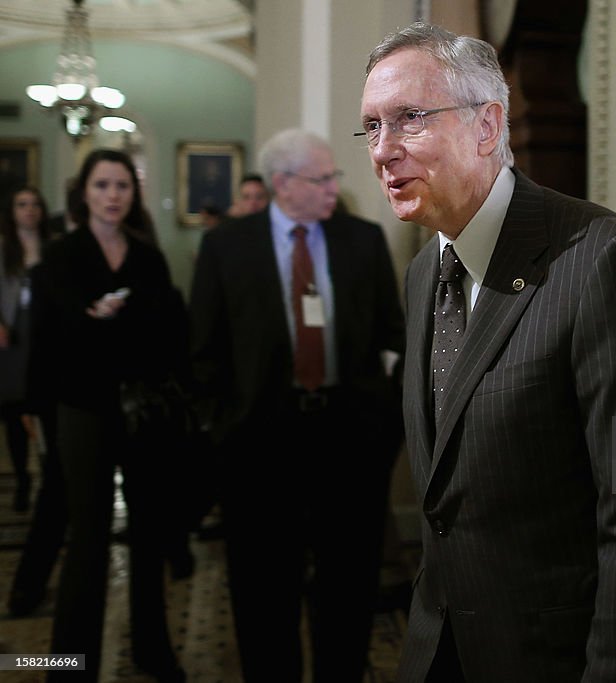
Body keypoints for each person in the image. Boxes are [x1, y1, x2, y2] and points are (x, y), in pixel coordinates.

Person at [360, 22, 616, 682]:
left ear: (487, 126)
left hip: (565, 653)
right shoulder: (418, 273)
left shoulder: (600, 257)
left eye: (407, 119)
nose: (383, 150)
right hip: (446, 643)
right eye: (372, 127)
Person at [189, 128, 404, 682]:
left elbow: (396, 339)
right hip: (260, 441)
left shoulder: (362, 240)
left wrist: (384, 424)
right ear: (284, 185)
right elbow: (204, 352)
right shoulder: (227, 246)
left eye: (334, 176)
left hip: (348, 439)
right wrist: (223, 430)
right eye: (322, 178)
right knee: (264, 594)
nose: (335, 186)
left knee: (347, 589)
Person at [29, 149, 187, 682]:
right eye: (102, 185)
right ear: (84, 194)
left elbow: (165, 333)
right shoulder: (62, 255)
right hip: (83, 410)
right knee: (88, 540)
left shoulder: (147, 257)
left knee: (149, 535)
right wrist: (99, 322)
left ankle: (152, 650)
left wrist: (107, 320)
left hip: (143, 410)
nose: (113, 195)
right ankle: (70, 667)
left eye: (122, 185)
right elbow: (54, 339)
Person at [0, 186, 54, 512]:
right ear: (12, 211)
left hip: (44, 334)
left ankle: (51, 478)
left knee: (45, 408)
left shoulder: (52, 248)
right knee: (13, 410)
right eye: (22, 205)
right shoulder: (3, 248)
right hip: (12, 334)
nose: (29, 210)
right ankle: (22, 478)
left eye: (35, 204)